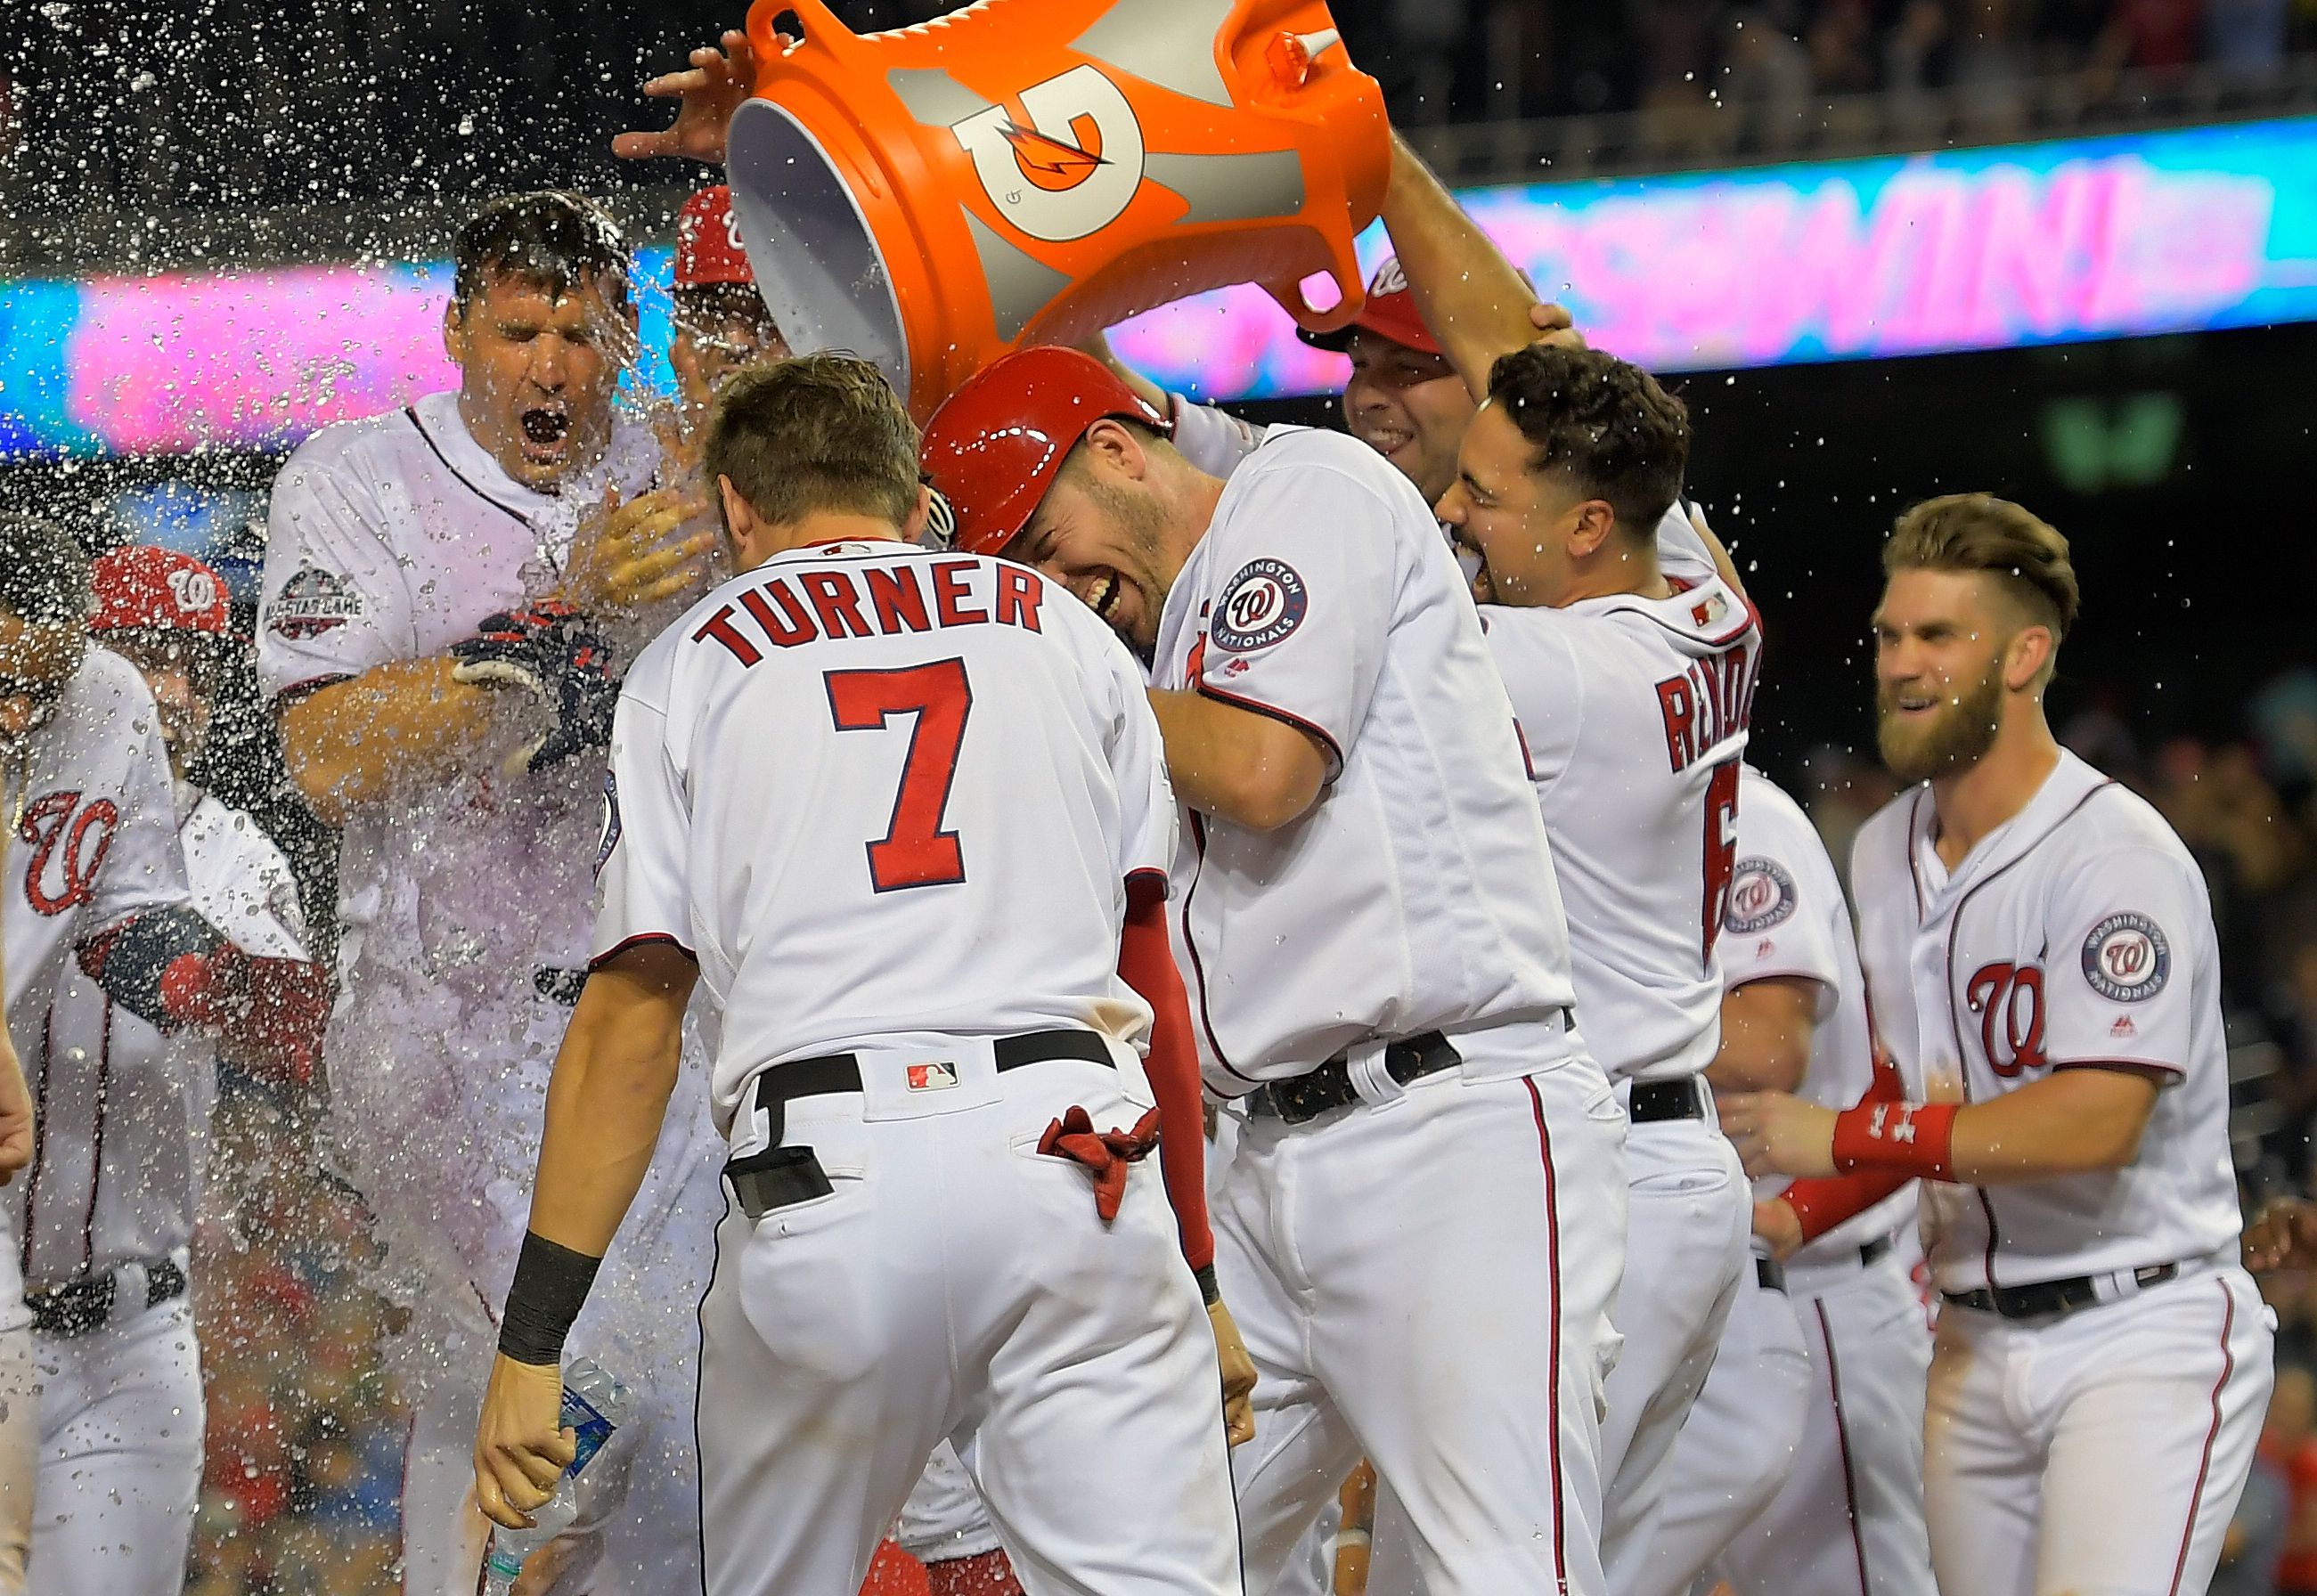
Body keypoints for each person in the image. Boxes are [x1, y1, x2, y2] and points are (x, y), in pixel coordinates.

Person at [471, 353, 1248, 1596]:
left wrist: (531, 1344)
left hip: (831, 1177)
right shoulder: (1058, 628)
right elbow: (1146, 964)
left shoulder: (692, 665)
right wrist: (1201, 1275)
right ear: (911, 497)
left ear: (736, 507)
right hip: (1078, 1164)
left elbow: (630, 1019)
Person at [922, 345, 1626, 1596]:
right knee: (1123, 1566)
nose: (1050, 589)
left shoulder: (1305, 491)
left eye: (1041, 543)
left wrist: (1033, 672)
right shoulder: (1125, 661)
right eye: (1014, 578)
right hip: (1264, 1171)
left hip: (1448, 1138)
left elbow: (1264, 769)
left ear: (1118, 447)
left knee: (1501, 1575)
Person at [257, 191, 722, 1595]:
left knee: (683, 1447)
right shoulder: (355, 480)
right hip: (442, 1032)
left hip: (652, 1024)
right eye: (519, 329)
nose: (550, 364)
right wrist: (543, 632)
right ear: (458, 330)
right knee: (546, 1414)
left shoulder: (674, 469)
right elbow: (323, 755)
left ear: (624, 339)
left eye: (582, 331)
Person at [1724, 494, 2276, 1595]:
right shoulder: (1883, 847)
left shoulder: (2116, 856)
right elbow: (1913, 1081)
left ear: (2027, 655)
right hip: (1970, 1340)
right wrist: (1800, 1207)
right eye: (1889, 634)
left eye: (1939, 636)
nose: (1900, 662)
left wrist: (1836, 1137)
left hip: (2137, 1328)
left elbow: (2095, 1118)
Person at [1417, 340, 1757, 1594]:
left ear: (1589, 525)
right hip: (1673, 1166)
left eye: (1484, 495)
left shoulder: (1549, 668)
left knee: (1497, 1572)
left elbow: (1301, 679)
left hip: (1601, 1185)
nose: (1452, 511)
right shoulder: (1711, 612)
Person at [1, 515, 318, 1596]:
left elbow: (300, 1051)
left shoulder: (239, 857)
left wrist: (309, 1016)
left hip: (130, 1336)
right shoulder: (23, 787)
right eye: (143, 654)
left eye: (194, 664)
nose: (169, 690)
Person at [1660, 763, 1936, 1596]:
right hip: (1705, 1288)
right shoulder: (1609, 809)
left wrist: (1578, 1012)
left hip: (1816, 1296)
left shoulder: (1745, 815)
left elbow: (1767, 1049)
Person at [666, 183, 788, 435]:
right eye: (710, 313)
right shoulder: (640, 467)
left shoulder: (867, 463)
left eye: (766, 314)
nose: (736, 344)